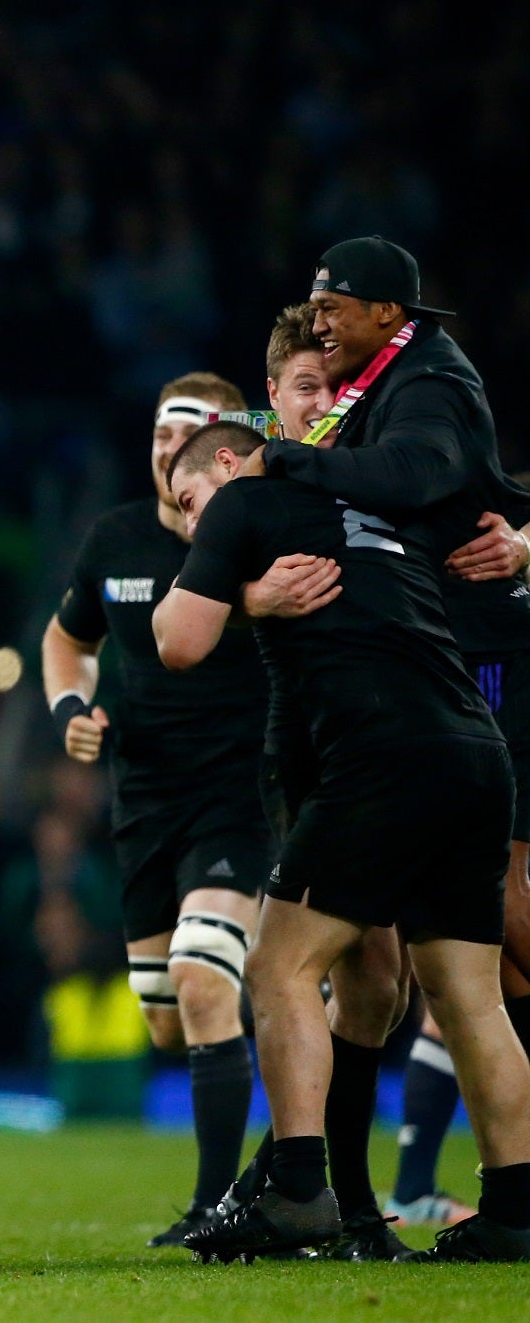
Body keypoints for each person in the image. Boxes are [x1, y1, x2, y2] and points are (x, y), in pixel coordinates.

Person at [156, 420, 530, 1263]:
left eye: (189, 502)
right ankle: (514, 1209)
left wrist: (238, 593)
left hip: (376, 761)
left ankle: (299, 1192)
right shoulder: (388, 503)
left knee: (279, 966)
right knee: (468, 997)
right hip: (478, 750)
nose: (190, 524)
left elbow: (178, 641)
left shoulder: (248, 501)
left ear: (228, 457)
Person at [244, 237, 530, 1255]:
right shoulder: (383, 386)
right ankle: (432, 1207)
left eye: (335, 309)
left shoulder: (423, 385)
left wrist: (288, 460)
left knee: (313, 965)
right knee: (438, 982)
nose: (321, 319)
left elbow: (422, 476)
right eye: (308, 321)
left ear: (384, 313)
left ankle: (310, 1190)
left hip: (427, 702)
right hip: (407, 717)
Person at [40, 372, 267, 1245]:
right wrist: (70, 709)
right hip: (143, 804)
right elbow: (66, 639)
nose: (168, 457)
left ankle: (218, 1206)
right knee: (169, 1022)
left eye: (187, 442)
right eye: (158, 442)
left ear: (222, 450)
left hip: (240, 794)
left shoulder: (257, 534)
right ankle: (285, 1004)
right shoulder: (116, 537)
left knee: (205, 978)